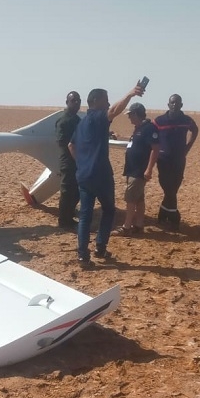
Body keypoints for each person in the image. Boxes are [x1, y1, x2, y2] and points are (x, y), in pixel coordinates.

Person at [68, 84, 144, 267]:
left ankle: (82, 255)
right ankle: (100, 247)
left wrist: (82, 164)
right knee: (109, 210)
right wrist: (130, 94)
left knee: (85, 215)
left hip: (84, 175)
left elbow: (71, 146)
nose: (108, 102)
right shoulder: (96, 116)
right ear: (95, 101)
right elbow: (114, 110)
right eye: (105, 99)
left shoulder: (82, 122)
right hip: (100, 175)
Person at [153, 94, 198, 232]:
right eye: (172, 103)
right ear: (168, 105)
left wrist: (188, 147)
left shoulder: (186, 120)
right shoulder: (159, 121)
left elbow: (195, 130)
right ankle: (174, 217)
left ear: (181, 105)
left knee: (173, 189)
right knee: (168, 188)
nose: (174, 105)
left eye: (177, 103)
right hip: (163, 161)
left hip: (179, 160)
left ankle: (164, 215)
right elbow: (151, 135)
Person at [116, 102, 158, 236]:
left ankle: (126, 227)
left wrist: (149, 169)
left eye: (130, 115)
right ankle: (139, 224)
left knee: (130, 199)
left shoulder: (149, 128)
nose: (129, 118)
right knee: (139, 199)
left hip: (139, 171)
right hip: (132, 169)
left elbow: (155, 149)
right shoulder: (139, 128)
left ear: (135, 114)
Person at [56, 91, 81, 231]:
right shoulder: (64, 121)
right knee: (67, 191)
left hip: (78, 160)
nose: (76, 103)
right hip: (68, 160)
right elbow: (62, 142)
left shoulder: (77, 120)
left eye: (78, 100)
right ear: (67, 102)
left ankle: (69, 215)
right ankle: (64, 221)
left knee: (76, 191)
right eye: (73, 100)